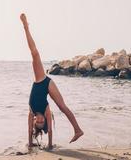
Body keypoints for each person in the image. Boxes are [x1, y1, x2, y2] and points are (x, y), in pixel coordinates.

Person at [20, 13, 84, 150]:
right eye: (43, 122)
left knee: (35, 54)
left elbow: (28, 130)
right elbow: (49, 131)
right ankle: (78, 130)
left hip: (40, 80)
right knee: (62, 106)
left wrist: (30, 145)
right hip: (46, 83)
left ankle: (26, 28)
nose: (41, 120)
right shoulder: (46, 111)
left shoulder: (31, 112)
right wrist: (49, 145)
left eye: (39, 122)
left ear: (35, 121)